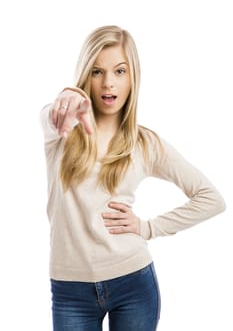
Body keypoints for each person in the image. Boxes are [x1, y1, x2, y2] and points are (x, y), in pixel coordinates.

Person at [40, 25, 226, 331]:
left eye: (120, 71)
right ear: (86, 74)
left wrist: (148, 227)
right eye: (97, 71)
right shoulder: (63, 130)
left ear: (132, 78)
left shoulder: (145, 144)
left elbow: (211, 199)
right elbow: (49, 115)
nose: (108, 83)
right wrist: (68, 95)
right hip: (70, 290)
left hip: (133, 283)